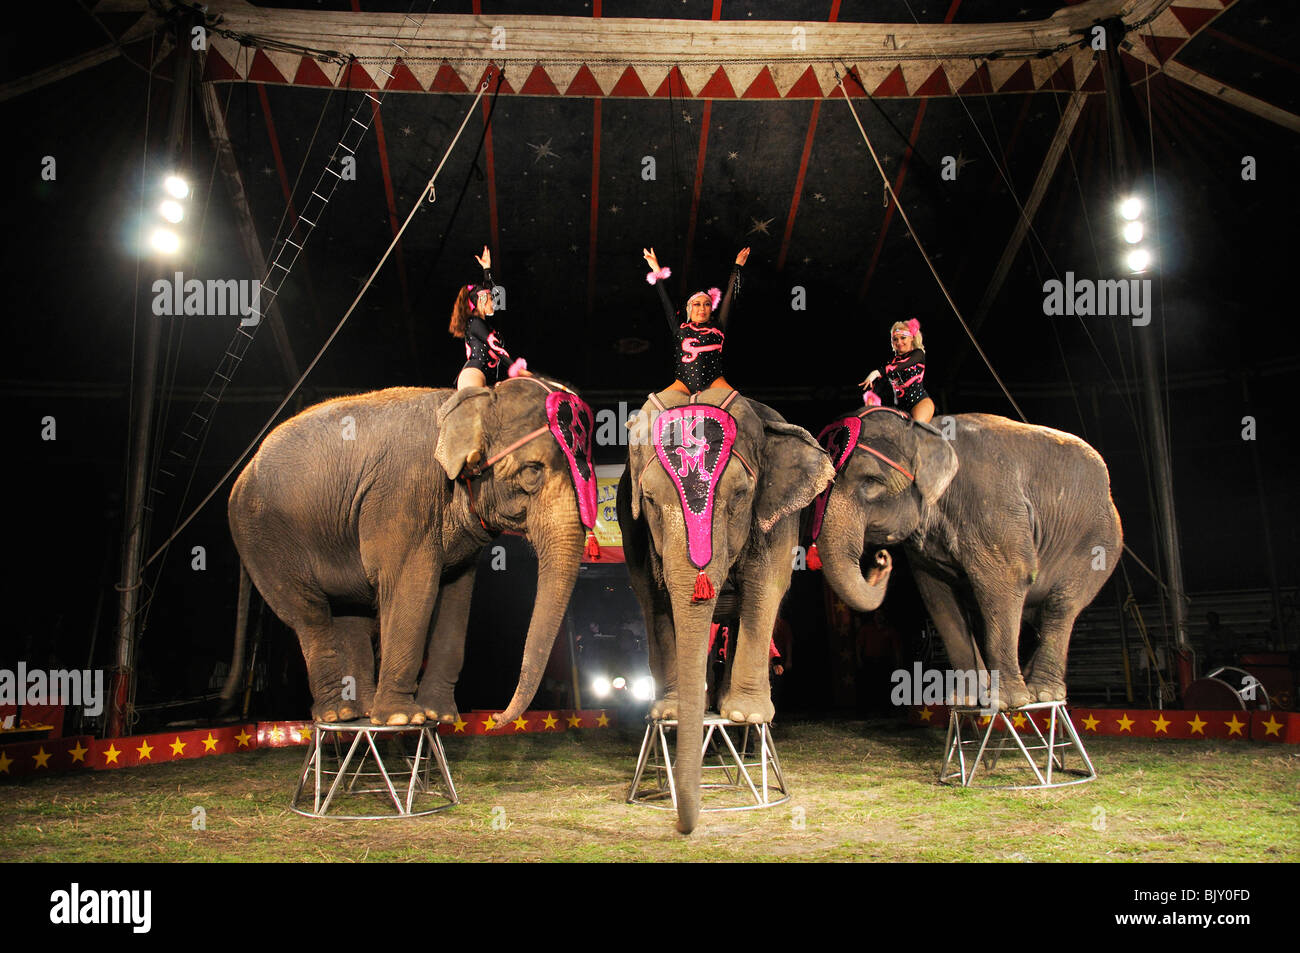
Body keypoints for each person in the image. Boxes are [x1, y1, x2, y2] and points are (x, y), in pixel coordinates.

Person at [642, 245, 750, 394]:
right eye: (697, 304)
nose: (702, 308)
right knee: (652, 408)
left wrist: (738, 266)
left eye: (707, 304)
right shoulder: (679, 327)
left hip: (715, 382)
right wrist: (655, 268)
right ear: (688, 308)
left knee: (741, 408)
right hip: (683, 383)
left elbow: (729, 297)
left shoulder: (718, 326)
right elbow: (666, 299)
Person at [449, 246, 528, 389]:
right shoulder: (474, 322)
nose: (495, 302)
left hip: (488, 378)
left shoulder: (486, 324)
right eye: (491, 298)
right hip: (474, 374)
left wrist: (487, 270)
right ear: (482, 300)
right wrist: (518, 369)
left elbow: (491, 293)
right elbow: (496, 348)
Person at [859, 319, 934, 423]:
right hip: (899, 409)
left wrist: (877, 372)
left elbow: (902, 365)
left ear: (911, 338)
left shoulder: (918, 354)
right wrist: (871, 397)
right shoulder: (891, 362)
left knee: (916, 429)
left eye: (903, 338)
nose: (899, 342)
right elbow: (880, 384)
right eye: (895, 339)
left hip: (920, 403)